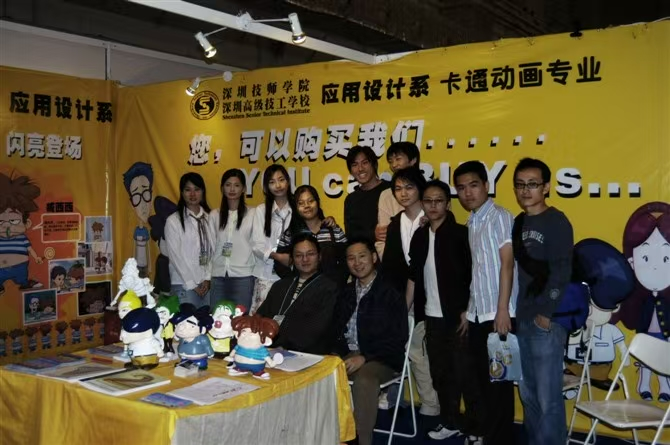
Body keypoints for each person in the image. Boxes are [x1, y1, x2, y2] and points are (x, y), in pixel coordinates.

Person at [454, 160, 518, 445]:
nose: (468, 193)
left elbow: (507, 264)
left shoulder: (500, 217)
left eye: (473, 185)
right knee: (483, 381)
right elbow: (478, 271)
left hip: (499, 314)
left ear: (486, 185)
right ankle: (491, 436)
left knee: (500, 384)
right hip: (479, 315)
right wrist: (469, 309)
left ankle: (501, 440)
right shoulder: (472, 221)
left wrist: (502, 310)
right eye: (461, 188)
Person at [511, 157, 573, 445]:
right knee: (528, 394)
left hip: (546, 320)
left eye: (533, 184)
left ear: (546, 187)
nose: (526, 190)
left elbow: (562, 270)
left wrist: (546, 313)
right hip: (522, 317)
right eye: (520, 184)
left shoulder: (556, 221)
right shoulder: (518, 222)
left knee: (548, 399)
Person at [405, 180, 473, 441]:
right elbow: (413, 276)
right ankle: (450, 421)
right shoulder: (420, 235)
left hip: (459, 316)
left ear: (448, 204)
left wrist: (468, 309)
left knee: (464, 374)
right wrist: (405, 312)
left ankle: (476, 428)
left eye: (438, 201)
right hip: (430, 316)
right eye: (428, 201)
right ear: (422, 204)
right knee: (440, 374)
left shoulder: (461, 234)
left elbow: (473, 275)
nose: (433, 206)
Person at [333, 237, 408, 445]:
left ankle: (362, 441)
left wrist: (365, 357)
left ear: (374, 257)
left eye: (362, 256)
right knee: (320, 371)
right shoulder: (346, 292)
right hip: (350, 354)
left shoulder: (390, 292)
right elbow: (334, 330)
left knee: (365, 380)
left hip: (382, 358)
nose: (357, 263)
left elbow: (397, 338)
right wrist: (334, 354)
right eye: (351, 258)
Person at [380, 167, 441, 417]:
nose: (403, 193)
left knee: (425, 352)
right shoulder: (395, 223)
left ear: (420, 188)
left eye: (409, 187)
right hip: (402, 298)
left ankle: (434, 403)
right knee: (413, 350)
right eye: (398, 189)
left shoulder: (434, 218)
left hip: (433, 297)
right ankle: (428, 403)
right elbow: (390, 265)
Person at [256, 233, 338, 354]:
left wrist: (283, 346)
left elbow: (317, 328)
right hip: (269, 348)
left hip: (306, 352)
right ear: (292, 259)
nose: (305, 259)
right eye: (299, 255)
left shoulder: (329, 288)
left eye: (310, 254)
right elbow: (261, 316)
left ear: (319, 256)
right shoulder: (279, 286)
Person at [275, 185, 348, 288]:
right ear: (296, 207)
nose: (307, 206)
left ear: (317, 202)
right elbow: (279, 265)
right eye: (301, 203)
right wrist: (294, 283)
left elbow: (346, 261)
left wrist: (336, 283)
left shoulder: (334, 230)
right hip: (302, 292)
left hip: (332, 290)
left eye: (310, 201)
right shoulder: (290, 234)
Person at [251, 165, 296, 313]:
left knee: (286, 317)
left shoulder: (297, 208)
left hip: (291, 273)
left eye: (281, 180)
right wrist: (278, 256)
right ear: (266, 186)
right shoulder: (261, 210)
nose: (278, 185)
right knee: (260, 318)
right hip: (266, 274)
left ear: (288, 181)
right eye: (272, 182)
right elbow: (256, 244)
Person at [164, 172, 214, 307]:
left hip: (207, 284)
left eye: (197, 189)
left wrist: (208, 278)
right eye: (188, 190)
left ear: (203, 191)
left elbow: (214, 252)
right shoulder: (173, 221)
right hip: (183, 284)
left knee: (209, 320)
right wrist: (191, 283)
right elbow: (175, 256)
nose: (192, 194)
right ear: (182, 193)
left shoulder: (210, 218)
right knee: (187, 321)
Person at [209, 169, 256, 310]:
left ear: (244, 189)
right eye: (228, 185)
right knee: (216, 319)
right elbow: (210, 247)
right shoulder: (214, 215)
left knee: (241, 320)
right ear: (222, 188)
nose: (232, 189)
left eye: (237, 185)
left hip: (243, 277)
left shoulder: (253, 213)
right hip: (218, 277)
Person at [375, 141, 421, 258]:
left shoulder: (432, 191)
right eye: (390, 161)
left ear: (413, 160)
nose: (394, 165)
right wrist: (390, 263)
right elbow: (382, 237)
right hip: (395, 260)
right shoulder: (386, 195)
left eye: (398, 159)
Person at [344, 145, 390, 243]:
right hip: (363, 251)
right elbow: (350, 234)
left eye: (365, 163)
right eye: (354, 165)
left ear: (374, 164)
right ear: (350, 171)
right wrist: (373, 234)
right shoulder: (351, 199)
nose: (360, 169)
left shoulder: (390, 189)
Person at [122, 162, 153, 277]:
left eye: (146, 193)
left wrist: (150, 265)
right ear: (131, 204)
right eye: (136, 197)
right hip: (138, 262)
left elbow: (148, 249)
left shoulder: (146, 230)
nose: (143, 203)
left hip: (145, 262)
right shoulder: (136, 231)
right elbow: (134, 248)